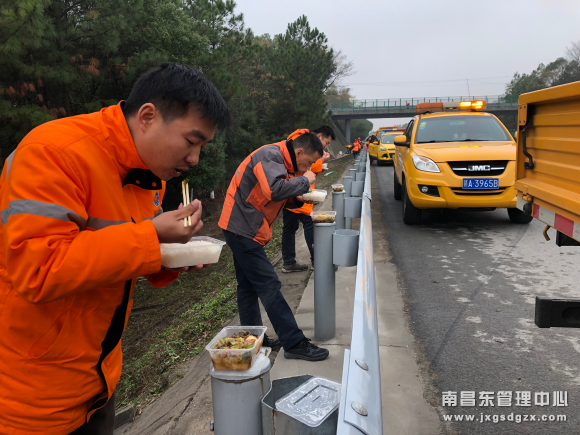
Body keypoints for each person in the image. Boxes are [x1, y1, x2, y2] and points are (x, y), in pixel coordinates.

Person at [0, 63, 231, 434]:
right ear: (148, 117)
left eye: (202, 147)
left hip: (98, 381)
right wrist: (151, 236)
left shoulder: (147, 175)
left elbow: (118, 256)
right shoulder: (53, 152)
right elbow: (39, 270)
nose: (194, 159)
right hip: (31, 399)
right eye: (191, 142)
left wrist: (169, 258)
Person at [219, 133, 329, 362]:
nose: (308, 168)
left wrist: (297, 199)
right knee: (269, 284)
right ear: (299, 152)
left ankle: (254, 338)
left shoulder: (283, 160)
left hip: (242, 226)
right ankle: (294, 342)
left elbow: (273, 194)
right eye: (308, 162)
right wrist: (305, 180)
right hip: (242, 228)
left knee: (247, 287)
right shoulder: (270, 156)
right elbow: (274, 189)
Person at [281, 126, 335, 273]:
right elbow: (302, 167)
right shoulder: (301, 143)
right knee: (310, 224)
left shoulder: (297, 140)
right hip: (297, 191)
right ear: (319, 136)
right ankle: (317, 262)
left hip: (294, 191)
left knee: (289, 228)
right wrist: (320, 161)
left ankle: (288, 262)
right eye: (326, 142)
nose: (326, 146)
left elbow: (308, 168)